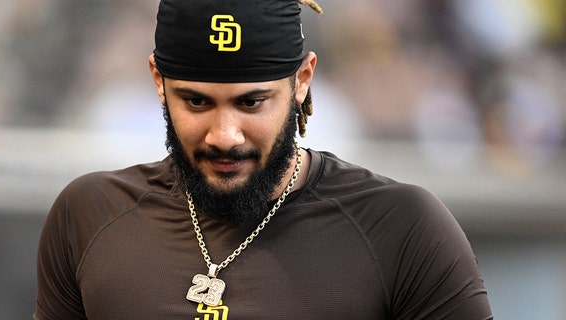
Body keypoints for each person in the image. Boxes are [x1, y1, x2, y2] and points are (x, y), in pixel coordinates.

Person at [34, 0, 493, 319]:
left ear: (303, 80)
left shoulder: (403, 230)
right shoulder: (90, 215)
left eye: (252, 103)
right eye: (195, 102)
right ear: (158, 80)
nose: (224, 135)